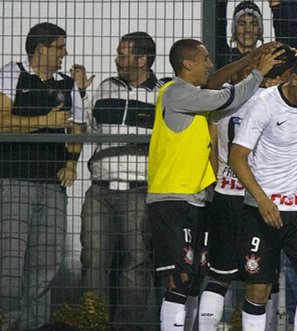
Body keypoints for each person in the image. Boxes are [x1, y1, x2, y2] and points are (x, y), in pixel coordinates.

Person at [146, 38, 280, 330]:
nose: (210, 64)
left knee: (192, 277)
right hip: (172, 198)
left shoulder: (190, 93)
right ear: (187, 64)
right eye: (205, 59)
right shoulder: (177, 93)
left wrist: (248, 60)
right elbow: (224, 97)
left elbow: (215, 86)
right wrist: (258, 73)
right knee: (179, 279)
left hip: (193, 197)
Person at [228, 53, 297, 331]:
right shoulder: (264, 105)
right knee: (258, 291)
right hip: (263, 212)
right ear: (293, 78)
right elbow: (237, 157)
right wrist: (262, 199)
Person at [198, 45, 297, 331]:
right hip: (258, 199)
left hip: (225, 194)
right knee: (260, 280)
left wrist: (249, 62)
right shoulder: (276, 100)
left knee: (219, 277)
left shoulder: (229, 96)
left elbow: (209, 84)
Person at [0, 22, 85, 330]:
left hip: (53, 184)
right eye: (59, 47)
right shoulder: (13, 73)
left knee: (46, 261)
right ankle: (7, 321)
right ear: (41, 48)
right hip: (14, 179)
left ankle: (34, 324)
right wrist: (44, 120)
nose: (64, 53)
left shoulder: (66, 83)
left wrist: (72, 162)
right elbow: (1, 121)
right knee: (10, 260)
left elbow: (77, 127)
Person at [78, 31, 165, 329]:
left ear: (143, 60)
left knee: (136, 264)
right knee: (93, 261)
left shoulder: (163, 93)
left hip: (140, 191)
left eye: (123, 54)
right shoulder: (104, 88)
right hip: (99, 190)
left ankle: (130, 326)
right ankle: (93, 322)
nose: (116, 59)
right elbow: (86, 126)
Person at [215, 1, 264, 69]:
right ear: (234, 29)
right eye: (242, 24)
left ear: (259, 30)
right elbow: (219, 26)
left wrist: (276, 6)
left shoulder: (265, 60)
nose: (248, 30)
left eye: (253, 24)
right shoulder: (225, 57)